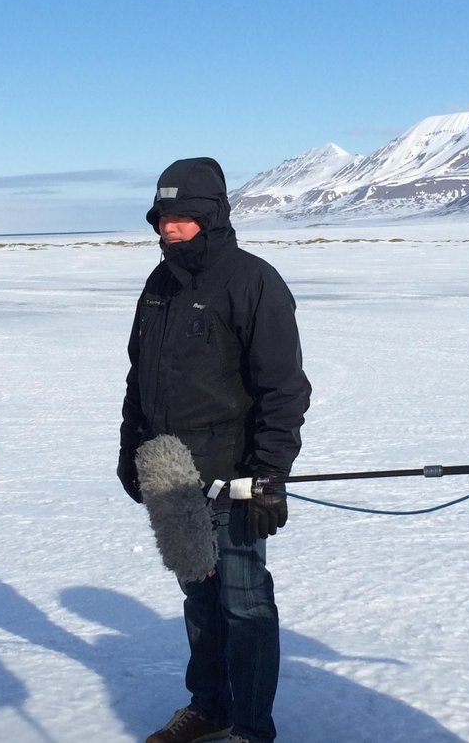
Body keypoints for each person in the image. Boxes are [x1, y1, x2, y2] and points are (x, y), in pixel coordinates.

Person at [118, 157, 311, 743]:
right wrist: (132, 450)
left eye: (182, 217)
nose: (169, 228)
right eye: (162, 218)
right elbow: (139, 378)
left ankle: (250, 728)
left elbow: (284, 388)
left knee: (244, 604)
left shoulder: (252, 282)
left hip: (235, 475)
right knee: (199, 600)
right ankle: (210, 708)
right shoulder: (159, 285)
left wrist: (270, 472)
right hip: (173, 474)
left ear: (212, 216)